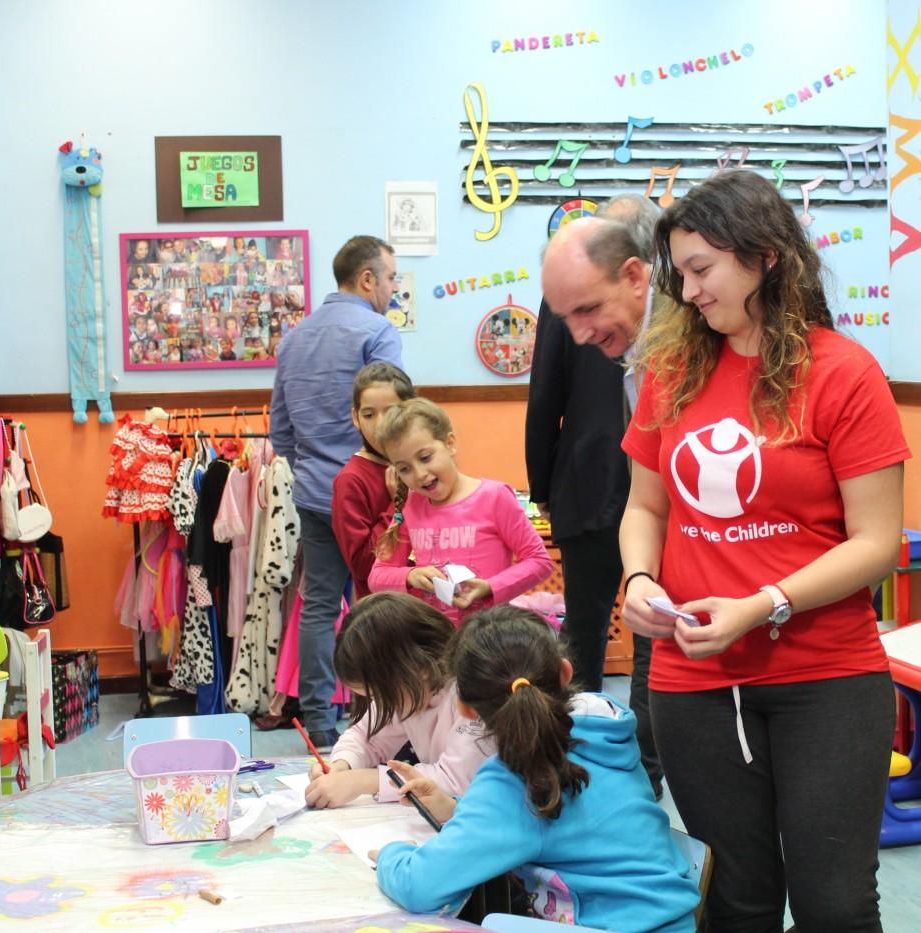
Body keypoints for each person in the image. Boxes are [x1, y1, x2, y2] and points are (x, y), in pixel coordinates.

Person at [619, 170, 909, 931]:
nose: (688, 292)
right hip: (695, 683)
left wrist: (762, 604)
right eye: (680, 274)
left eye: (702, 270)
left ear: (765, 257)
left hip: (825, 677)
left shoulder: (844, 372)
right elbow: (645, 506)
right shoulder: (673, 372)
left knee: (834, 904)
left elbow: (877, 542)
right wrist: (640, 577)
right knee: (736, 901)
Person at [373, 605, 698, 931]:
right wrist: (456, 808)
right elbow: (563, 823)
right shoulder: (608, 732)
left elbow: (419, 887)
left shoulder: (516, 777)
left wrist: (391, 853)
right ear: (565, 672)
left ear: (465, 709)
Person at [536, 196, 665, 797]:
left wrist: (544, 488)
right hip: (606, 488)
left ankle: (603, 768)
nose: (581, 329)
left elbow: (545, 399)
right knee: (628, 638)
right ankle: (636, 771)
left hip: (589, 483)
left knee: (598, 632)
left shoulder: (673, 324)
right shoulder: (574, 299)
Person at [270, 234, 403, 751]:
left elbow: (280, 430)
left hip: (314, 493)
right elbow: (398, 423)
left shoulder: (294, 339)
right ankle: (384, 715)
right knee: (382, 599)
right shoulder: (378, 331)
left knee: (321, 604)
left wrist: (313, 467)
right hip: (371, 491)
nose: (392, 289)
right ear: (367, 278)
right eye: (390, 278)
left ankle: (320, 722)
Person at [369, 398, 552, 626]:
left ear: (450, 444)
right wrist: (410, 576)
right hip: (436, 636)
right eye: (404, 469)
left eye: (425, 458)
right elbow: (377, 576)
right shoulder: (411, 505)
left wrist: (490, 587)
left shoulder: (494, 497)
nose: (419, 474)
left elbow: (539, 561)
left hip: (487, 635)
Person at [304, 592, 491, 809]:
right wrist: (341, 765)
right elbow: (365, 737)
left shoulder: (472, 698)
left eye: (379, 694)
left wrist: (364, 781)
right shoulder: (410, 688)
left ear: (419, 668)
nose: (379, 704)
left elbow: (456, 781)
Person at [332, 362, 417, 599]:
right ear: (355, 417)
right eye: (369, 415)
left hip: (434, 602)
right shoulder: (351, 480)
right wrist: (397, 504)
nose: (380, 424)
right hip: (387, 608)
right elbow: (362, 564)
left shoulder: (422, 462)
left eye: (391, 412)